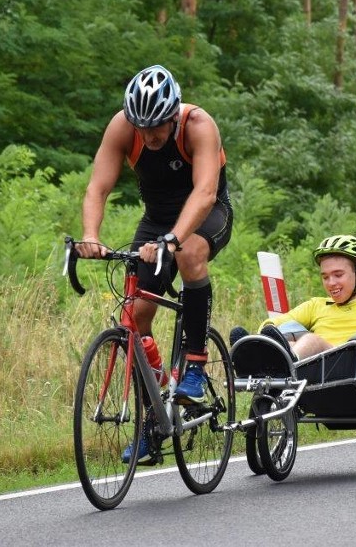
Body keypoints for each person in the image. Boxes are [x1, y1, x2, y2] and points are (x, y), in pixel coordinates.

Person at [75, 65, 232, 460]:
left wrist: (174, 240)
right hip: (157, 221)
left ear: (173, 112)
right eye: (142, 127)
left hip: (206, 214)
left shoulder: (198, 125)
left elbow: (206, 192)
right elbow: (98, 186)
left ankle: (195, 366)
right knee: (135, 316)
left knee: (191, 252)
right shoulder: (123, 127)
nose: (150, 135)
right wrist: (91, 236)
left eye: (157, 125)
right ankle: (155, 415)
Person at [236, 234, 356, 359]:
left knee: (311, 341)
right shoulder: (316, 305)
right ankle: (252, 352)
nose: (331, 283)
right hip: (311, 371)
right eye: (325, 277)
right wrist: (266, 331)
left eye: (338, 275)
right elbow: (272, 324)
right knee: (284, 331)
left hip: (350, 365)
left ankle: (279, 362)